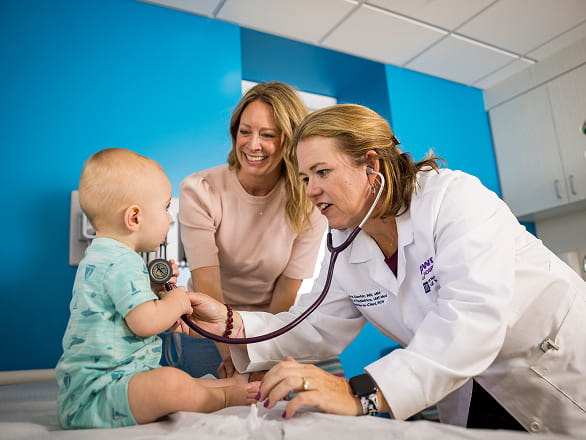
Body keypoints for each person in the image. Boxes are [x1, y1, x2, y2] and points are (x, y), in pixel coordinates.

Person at [182, 104, 586, 436]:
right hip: (465, 387)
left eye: (322, 172)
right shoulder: (345, 243)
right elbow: (315, 325)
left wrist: (361, 394)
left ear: (370, 165)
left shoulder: (454, 200)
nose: (310, 191)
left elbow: (472, 319)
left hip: (555, 373)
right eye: (305, 178)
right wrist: (231, 324)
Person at [55, 148, 259, 429]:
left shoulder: (103, 256)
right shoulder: (120, 261)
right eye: (165, 208)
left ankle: (222, 386)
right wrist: (175, 300)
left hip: (105, 387)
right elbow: (145, 322)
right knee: (171, 384)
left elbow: (125, 309)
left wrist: (150, 288)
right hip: (101, 394)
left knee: (178, 381)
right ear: (135, 218)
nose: (170, 218)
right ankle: (225, 397)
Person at [174, 81, 328, 378]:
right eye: (245, 131)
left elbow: (286, 292)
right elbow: (208, 285)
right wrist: (231, 354)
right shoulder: (200, 189)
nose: (252, 145)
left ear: (289, 142)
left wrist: (260, 353)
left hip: (268, 323)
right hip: (207, 321)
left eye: (267, 135)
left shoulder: (309, 201)